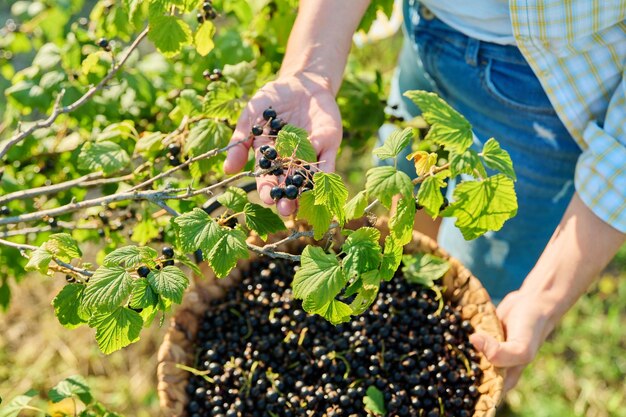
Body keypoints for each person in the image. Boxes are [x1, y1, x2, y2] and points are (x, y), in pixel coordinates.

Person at [223, 0, 626, 393]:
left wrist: (544, 298)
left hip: (552, 88)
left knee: (472, 295)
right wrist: (308, 69)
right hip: (425, 28)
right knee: (403, 223)